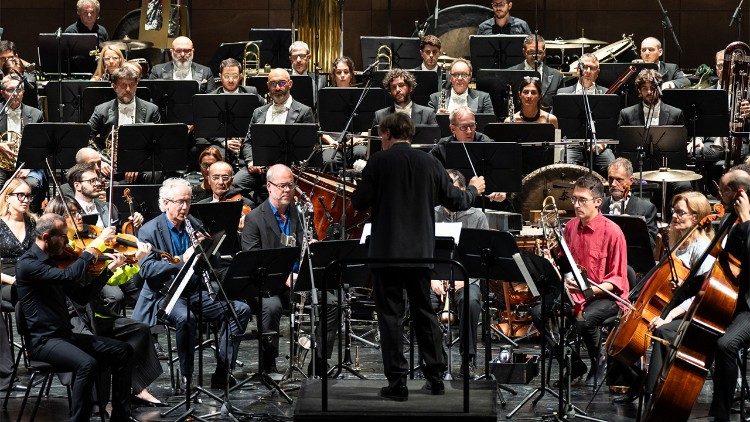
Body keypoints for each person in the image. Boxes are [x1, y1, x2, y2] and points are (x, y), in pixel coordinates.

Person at [351, 113, 486, 401]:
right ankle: (435, 378)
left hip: (386, 254)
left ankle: (397, 384)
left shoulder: (378, 162)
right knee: (425, 314)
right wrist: (474, 189)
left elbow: (359, 201)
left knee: (391, 317)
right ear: (409, 135)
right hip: (420, 253)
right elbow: (457, 200)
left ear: (386, 134)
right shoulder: (430, 163)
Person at [44, 195, 165, 407]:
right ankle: (98, 402)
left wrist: (133, 262)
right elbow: (75, 280)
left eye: (78, 211)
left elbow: (110, 280)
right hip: (72, 318)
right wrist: (96, 248)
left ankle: (135, 387)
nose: (79, 216)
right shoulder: (61, 252)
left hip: (92, 311)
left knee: (139, 329)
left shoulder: (86, 243)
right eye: (72, 213)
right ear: (59, 221)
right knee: (103, 345)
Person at [132, 177, 251, 390]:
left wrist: (209, 247)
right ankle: (187, 376)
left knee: (240, 310)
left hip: (195, 291)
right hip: (167, 295)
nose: (185, 207)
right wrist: (182, 261)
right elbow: (148, 270)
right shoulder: (149, 230)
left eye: (188, 201)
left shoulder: (193, 223)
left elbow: (212, 262)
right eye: (180, 202)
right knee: (187, 319)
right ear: (165, 203)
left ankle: (223, 371)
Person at [15, 213, 132, 421]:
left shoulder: (53, 262)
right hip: (44, 341)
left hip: (65, 336)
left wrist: (108, 271)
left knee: (123, 350)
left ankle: (120, 416)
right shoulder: (28, 264)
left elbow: (82, 296)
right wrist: (92, 249)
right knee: (87, 364)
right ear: (46, 236)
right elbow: (67, 276)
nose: (67, 241)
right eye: (62, 235)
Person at [640, 191, 715, 402]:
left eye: (681, 213)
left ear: (696, 217)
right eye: (674, 211)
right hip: (675, 306)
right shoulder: (679, 242)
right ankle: (632, 382)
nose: (674, 216)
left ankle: (653, 393)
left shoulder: (701, 248)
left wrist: (670, 314)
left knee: (662, 331)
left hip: (694, 315)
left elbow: (701, 296)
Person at [430, 169, 488, 378]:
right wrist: (432, 278)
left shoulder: (477, 217)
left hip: (466, 278)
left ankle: (467, 357)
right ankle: (434, 359)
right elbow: (425, 252)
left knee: (471, 301)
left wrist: (466, 279)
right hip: (436, 277)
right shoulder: (432, 213)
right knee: (422, 300)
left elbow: (482, 259)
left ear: (463, 191)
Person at [234, 68, 315, 202]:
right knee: (233, 185)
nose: (277, 88)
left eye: (282, 83)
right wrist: (251, 161)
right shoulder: (258, 112)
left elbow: (307, 149)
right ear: (268, 86)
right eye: (273, 84)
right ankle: (253, 209)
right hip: (259, 169)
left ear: (290, 84)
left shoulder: (304, 112)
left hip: (287, 169)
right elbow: (248, 142)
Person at [88, 65, 161, 183]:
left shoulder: (151, 109)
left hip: (140, 164)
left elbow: (157, 143)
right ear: (114, 86)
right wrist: (99, 161)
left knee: (154, 174)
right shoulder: (101, 110)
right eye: (123, 85)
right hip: (109, 164)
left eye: (132, 85)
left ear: (136, 85)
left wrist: (138, 165)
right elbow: (86, 137)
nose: (128, 89)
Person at [199, 58, 265, 167]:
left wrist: (248, 137)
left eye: (235, 76)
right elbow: (206, 127)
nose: (231, 80)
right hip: (221, 142)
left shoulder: (251, 92)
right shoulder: (211, 97)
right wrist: (224, 141)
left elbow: (265, 110)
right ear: (220, 76)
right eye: (226, 76)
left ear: (241, 76)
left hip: (247, 141)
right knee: (215, 158)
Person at [0, 74, 46, 212]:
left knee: (32, 184)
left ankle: (30, 220)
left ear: (24, 92)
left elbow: (41, 146)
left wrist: (29, 167)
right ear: (2, 92)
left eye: (19, 90)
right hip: (1, 166)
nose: (16, 94)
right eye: (11, 90)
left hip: (28, 166)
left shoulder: (36, 114)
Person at [601, 157, 658, 249]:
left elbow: (650, 245)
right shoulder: (599, 205)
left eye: (619, 180)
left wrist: (632, 227)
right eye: (611, 179)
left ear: (631, 180)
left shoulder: (646, 208)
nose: (613, 184)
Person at [66, 162, 144, 229]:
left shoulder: (109, 207)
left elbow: (120, 232)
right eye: (91, 181)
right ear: (77, 186)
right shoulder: (69, 212)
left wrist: (133, 222)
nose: (97, 184)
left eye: (97, 180)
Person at [0, 178, 36, 307]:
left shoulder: (33, 222)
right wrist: (13, 280)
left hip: (31, 276)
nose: (26, 200)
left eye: (28, 196)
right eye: (21, 195)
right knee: (26, 295)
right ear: (8, 197)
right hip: (6, 279)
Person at [506, 35, 563, 108]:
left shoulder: (557, 76)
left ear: (544, 52)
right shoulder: (510, 73)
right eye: (531, 52)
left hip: (546, 118)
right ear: (524, 52)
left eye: (539, 52)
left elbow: (560, 106)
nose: (535, 56)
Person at [196, 161, 252, 231]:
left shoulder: (247, 204)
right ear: (209, 180)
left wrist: (240, 231)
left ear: (231, 180)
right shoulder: (200, 205)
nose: (220, 182)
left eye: (225, 178)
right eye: (215, 178)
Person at [617, 69, 685, 127]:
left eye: (653, 88)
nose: (649, 92)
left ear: (660, 89)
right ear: (639, 91)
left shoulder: (676, 114)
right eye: (644, 88)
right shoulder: (626, 114)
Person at [149, 36, 217, 93]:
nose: (182, 54)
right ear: (171, 52)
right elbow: (150, 98)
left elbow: (211, 100)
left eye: (187, 51)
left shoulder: (206, 72)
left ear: (192, 51)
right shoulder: (157, 71)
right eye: (178, 51)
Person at [372, 69, 438, 127]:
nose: (397, 89)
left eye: (401, 85)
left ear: (410, 87)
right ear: (390, 91)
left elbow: (435, 139)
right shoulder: (380, 116)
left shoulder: (428, 114)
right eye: (393, 87)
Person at [428, 59, 494, 115]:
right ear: (450, 77)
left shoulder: (483, 98)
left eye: (464, 74)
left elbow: (488, 126)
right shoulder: (435, 98)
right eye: (456, 74)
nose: (459, 78)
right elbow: (430, 128)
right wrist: (437, 118)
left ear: (470, 77)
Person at [0, 40, 39, 109]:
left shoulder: (29, 82)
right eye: (3, 59)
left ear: (16, 57)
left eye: (10, 58)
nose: (7, 61)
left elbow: (32, 111)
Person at [288, 40, 327, 109]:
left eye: (302, 56)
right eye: (295, 56)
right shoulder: (284, 78)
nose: (298, 60)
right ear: (290, 59)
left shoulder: (320, 80)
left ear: (308, 57)